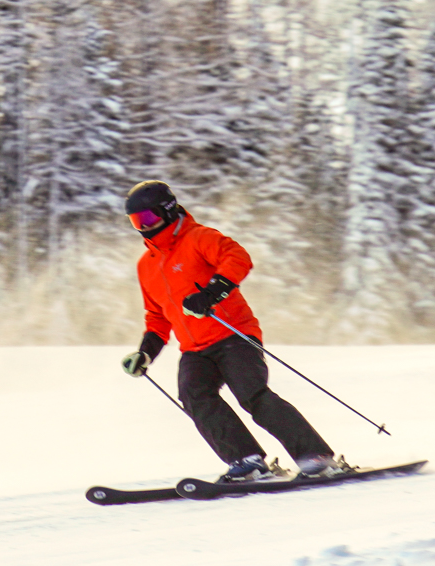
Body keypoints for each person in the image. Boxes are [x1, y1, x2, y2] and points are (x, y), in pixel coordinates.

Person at [120, 180, 336, 482]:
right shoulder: (147, 265)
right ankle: (247, 460)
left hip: (233, 334)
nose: (143, 227)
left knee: (253, 396)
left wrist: (212, 292)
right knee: (195, 396)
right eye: (135, 222)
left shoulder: (198, 238)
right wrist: (145, 353)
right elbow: (157, 317)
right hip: (194, 349)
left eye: (148, 218)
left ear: (167, 211)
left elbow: (238, 258)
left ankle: (316, 456)